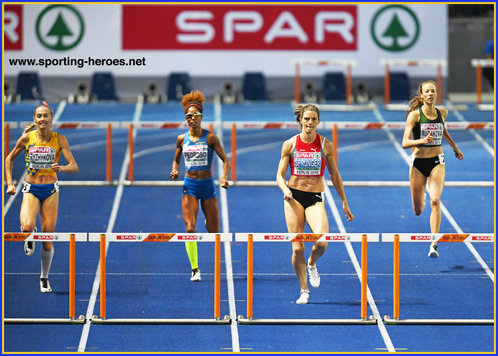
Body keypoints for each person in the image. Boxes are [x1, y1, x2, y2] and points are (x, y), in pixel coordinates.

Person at [276, 104, 354, 304]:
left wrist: (344, 202)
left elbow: (335, 175)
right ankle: (304, 290)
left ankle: (311, 263)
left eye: (313, 119)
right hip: (293, 197)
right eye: (306, 119)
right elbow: (279, 175)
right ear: (300, 120)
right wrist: (285, 190)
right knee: (297, 248)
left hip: (315, 197)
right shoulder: (290, 144)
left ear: (318, 122)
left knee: (321, 241)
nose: (310, 123)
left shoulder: (325, 145)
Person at [5, 102, 79, 293]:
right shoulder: (27, 138)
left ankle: (44, 278)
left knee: (47, 240)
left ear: (51, 119)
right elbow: (8, 159)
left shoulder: (59, 139)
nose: (42, 119)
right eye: (39, 116)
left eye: (45, 116)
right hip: (31, 188)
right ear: (34, 119)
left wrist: (61, 168)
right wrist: (10, 183)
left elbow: (74, 166)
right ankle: (30, 234)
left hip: (51, 191)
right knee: (27, 227)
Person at [170, 90, 230, 282]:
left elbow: (225, 160)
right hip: (190, 186)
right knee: (189, 228)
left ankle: (207, 221)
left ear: (201, 117)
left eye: (195, 115)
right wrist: (175, 170)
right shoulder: (181, 139)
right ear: (186, 119)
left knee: (214, 232)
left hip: (208, 187)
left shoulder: (210, 137)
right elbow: (176, 160)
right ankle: (195, 269)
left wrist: (224, 177)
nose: (192, 119)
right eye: (189, 116)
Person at [401, 81, 463, 258]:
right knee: (418, 210)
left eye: (433, 91)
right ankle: (422, 194)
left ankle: (433, 243)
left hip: (437, 161)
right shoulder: (414, 116)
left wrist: (454, 147)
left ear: (436, 94)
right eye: (426, 91)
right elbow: (405, 143)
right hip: (418, 164)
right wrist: (421, 141)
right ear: (422, 95)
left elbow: (442, 130)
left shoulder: (443, 113)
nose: (430, 94)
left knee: (435, 201)